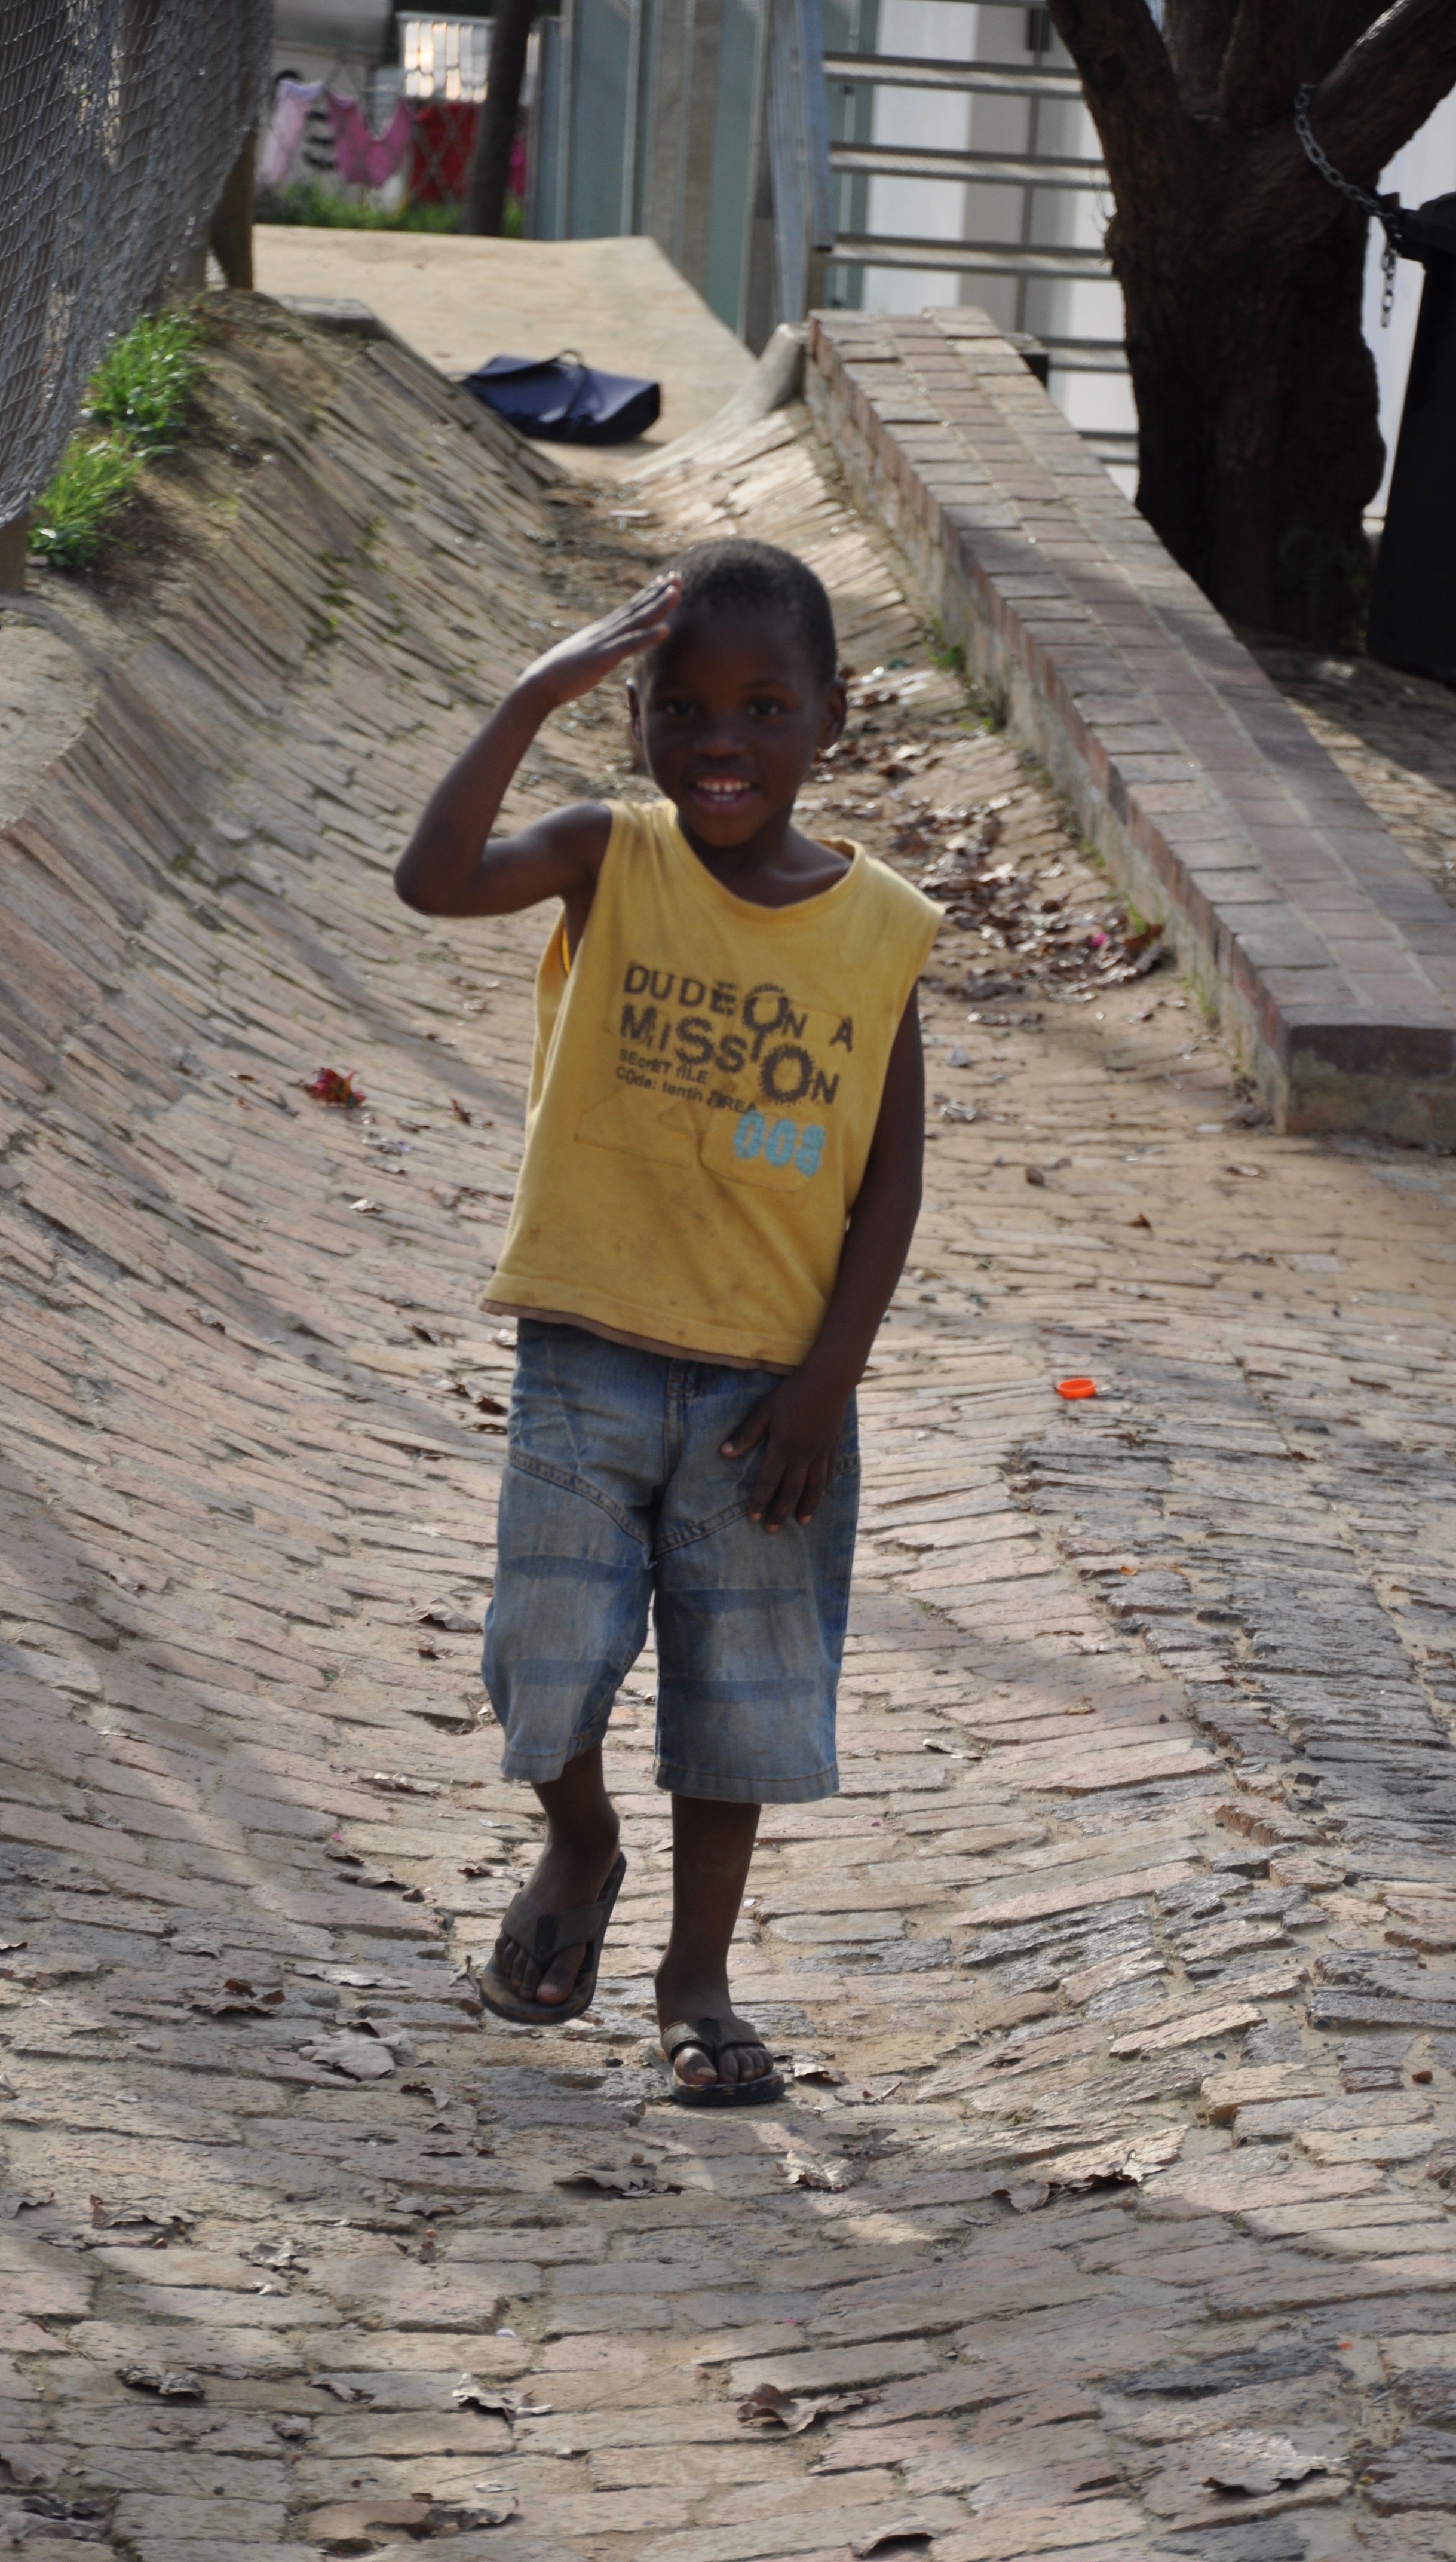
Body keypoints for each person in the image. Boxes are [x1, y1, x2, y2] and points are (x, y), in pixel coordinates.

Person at [395, 539, 940, 2104]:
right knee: (540, 1650)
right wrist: (533, 693)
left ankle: (697, 1981)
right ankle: (580, 1841)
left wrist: (829, 1382)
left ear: (831, 716)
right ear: (633, 715)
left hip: (773, 1392)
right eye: (679, 706)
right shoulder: (606, 855)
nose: (721, 741)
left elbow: (893, 1180)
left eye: (765, 707)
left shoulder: (880, 928)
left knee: (739, 1694)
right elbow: (433, 879)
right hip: (588, 1346)